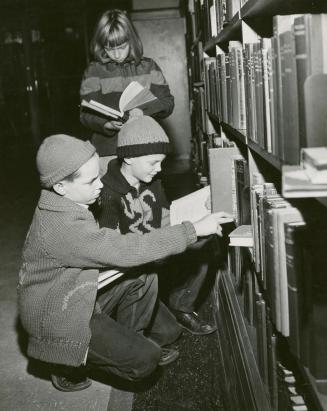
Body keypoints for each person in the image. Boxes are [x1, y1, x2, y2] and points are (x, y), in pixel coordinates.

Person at [17, 134, 232, 392]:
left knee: (144, 276)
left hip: (77, 294)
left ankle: (127, 342)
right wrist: (192, 230)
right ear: (61, 187)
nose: (100, 185)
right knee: (146, 361)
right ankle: (67, 362)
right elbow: (126, 249)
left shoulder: (64, 203)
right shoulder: (62, 227)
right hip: (61, 317)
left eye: (98, 175)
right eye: (91, 181)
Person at [97, 114, 219, 335]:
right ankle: (128, 323)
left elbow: (165, 215)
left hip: (156, 251)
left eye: (162, 162)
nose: (159, 169)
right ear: (130, 158)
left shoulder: (152, 182)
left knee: (206, 240)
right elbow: (111, 249)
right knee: (167, 335)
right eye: (153, 162)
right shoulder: (107, 193)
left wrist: (203, 209)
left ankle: (181, 304)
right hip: (133, 265)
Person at [79, 9, 174, 176]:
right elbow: (85, 113)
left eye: (121, 47)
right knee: (111, 199)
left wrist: (143, 112)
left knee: (147, 198)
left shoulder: (149, 67)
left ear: (132, 41)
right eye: (109, 49)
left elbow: (167, 103)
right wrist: (105, 124)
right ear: (102, 46)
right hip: (108, 150)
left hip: (145, 148)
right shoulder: (94, 71)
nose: (116, 54)